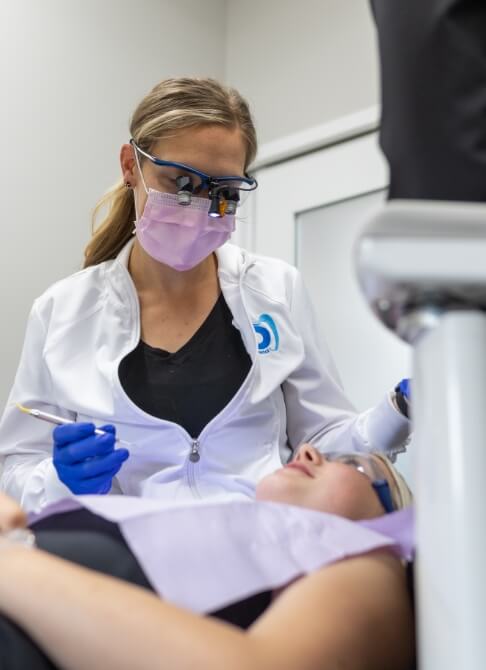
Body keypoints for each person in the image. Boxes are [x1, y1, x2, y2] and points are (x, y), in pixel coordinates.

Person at [0, 77, 411, 512]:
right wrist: (62, 480)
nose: (198, 209)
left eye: (223, 193)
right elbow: (16, 470)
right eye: (180, 183)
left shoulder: (275, 290)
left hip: (261, 552)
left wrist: (401, 408)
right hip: (128, 560)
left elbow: (323, 445)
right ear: (129, 166)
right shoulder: (63, 311)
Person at [0, 444, 415, 670]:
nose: (306, 450)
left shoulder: (369, 562)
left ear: (392, 519)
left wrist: (13, 560)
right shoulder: (242, 539)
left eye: (354, 465)